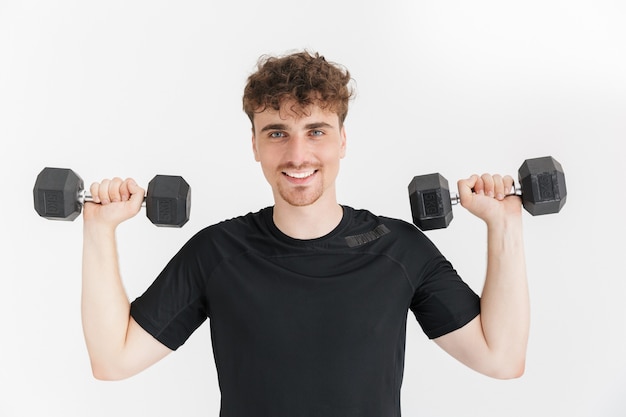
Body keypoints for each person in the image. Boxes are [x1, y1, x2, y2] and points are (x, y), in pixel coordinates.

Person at [81, 50, 529, 416]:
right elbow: (113, 360)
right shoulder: (217, 253)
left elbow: (501, 358)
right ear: (254, 144)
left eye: (316, 131)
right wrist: (99, 229)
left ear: (342, 140)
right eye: (278, 133)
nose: (298, 155)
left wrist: (504, 223)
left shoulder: (400, 250)